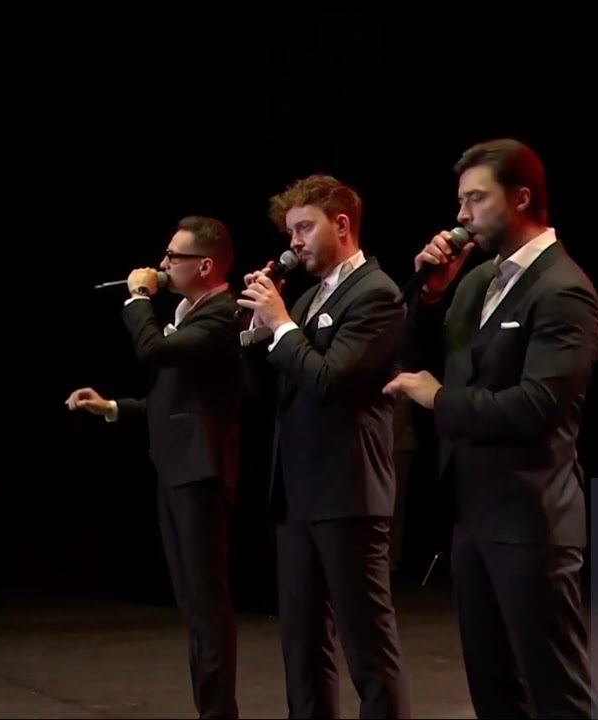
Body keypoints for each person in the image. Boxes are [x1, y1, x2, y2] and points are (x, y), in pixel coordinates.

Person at [387, 139, 598, 718]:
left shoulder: (564, 289)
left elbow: (537, 406)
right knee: (493, 691)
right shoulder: (480, 279)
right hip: (473, 514)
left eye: (476, 199)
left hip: (532, 519)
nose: (461, 215)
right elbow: (420, 359)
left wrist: (440, 398)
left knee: (557, 693)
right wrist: (430, 295)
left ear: (521, 198)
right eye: (461, 201)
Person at [238, 174, 411, 718]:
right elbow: (268, 389)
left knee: (367, 648)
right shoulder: (312, 296)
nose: (294, 242)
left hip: (348, 493)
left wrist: (282, 324)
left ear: (341, 225)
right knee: (302, 645)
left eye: (304, 228)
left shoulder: (377, 294)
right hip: (298, 496)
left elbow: (330, 379)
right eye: (290, 232)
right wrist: (257, 330)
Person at [67, 215, 241, 718]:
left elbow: (152, 352)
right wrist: (113, 407)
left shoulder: (221, 315)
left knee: (206, 603)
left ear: (204, 266)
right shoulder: (191, 313)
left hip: (201, 474)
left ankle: (218, 713)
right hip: (176, 469)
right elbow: (174, 402)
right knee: (191, 602)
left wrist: (138, 298)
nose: (162, 264)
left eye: (172, 257)